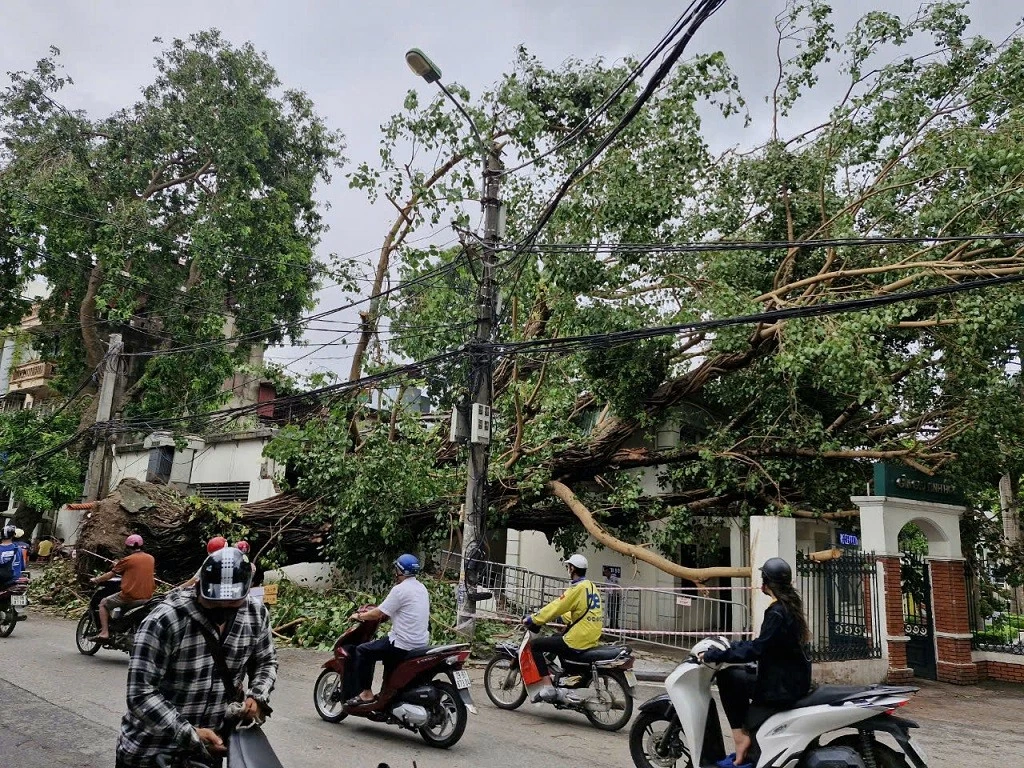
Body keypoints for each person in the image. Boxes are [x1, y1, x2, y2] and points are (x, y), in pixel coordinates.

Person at [116, 546, 278, 768]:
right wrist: (190, 734)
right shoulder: (165, 620)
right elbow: (140, 694)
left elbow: (266, 661)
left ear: (247, 590)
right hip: (152, 753)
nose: (222, 608)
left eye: (231, 603)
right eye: (214, 602)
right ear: (199, 585)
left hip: (209, 754)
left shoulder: (255, 614)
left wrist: (257, 696)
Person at [699, 558, 812, 768]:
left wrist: (719, 654)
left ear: (766, 582)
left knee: (729, 677)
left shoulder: (777, 611)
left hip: (782, 686)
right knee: (739, 674)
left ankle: (741, 738)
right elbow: (764, 645)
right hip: (792, 678)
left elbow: (757, 649)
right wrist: (733, 648)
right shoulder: (789, 606)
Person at [346, 554, 430, 706]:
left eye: (396, 569)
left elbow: (378, 613)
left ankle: (366, 694)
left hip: (403, 644)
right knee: (384, 649)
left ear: (400, 570)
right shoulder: (422, 588)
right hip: (421, 643)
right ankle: (388, 693)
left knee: (363, 651)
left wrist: (359, 615)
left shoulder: (400, 590)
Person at [524, 553, 604, 703]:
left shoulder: (577, 588)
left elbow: (557, 606)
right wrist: (562, 617)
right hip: (591, 634)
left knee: (535, 646)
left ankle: (548, 687)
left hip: (579, 637)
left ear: (572, 568)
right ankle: (565, 678)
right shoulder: (591, 586)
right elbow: (580, 610)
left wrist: (533, 619)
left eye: (568, 566)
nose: (568, 569)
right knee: (555, 639)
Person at [89, 534, 156, 642]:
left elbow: (110, 575)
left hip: (129, 596)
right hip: (148, 597)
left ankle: (104, 632)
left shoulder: (128, 559)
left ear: (127, 547)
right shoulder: (151, 558)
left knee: (103, 603)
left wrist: (96, 580)